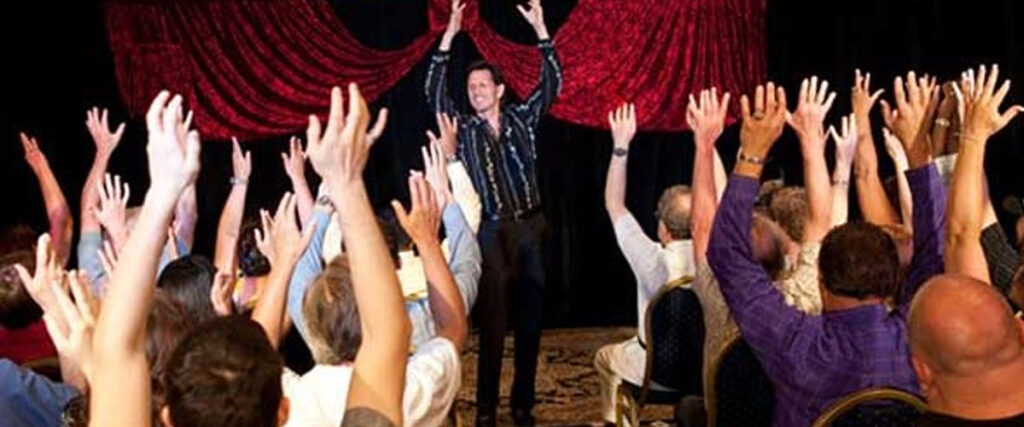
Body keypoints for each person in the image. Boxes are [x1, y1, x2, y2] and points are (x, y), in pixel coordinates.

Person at [707, 74, 945, 426]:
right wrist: (918, 152)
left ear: (820, 280)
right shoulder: (916, 339)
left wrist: (752, 154)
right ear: (894, 280)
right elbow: (935, 247)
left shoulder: (795, 344)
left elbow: (727, 255)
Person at [425, 0, 562, 424]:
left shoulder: (523, 118)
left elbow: (552, 83)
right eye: (472, 88)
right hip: (491, 234)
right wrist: (449, 34)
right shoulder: (462, 130)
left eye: (484, 86)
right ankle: (485, 410)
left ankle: (522, 405)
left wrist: (541, 31)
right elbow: (433, 91)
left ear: (500, 90)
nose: (476, 92)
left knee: (531, 324)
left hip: (532, 227)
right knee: (494, 326)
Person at [593, 102, 701, 425]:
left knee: (604, 358)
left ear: (662, 228)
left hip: (656, 372)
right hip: (703, 368)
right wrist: (705, 144)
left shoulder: (652, 260)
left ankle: (622, 422)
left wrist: (621, 147)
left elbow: (614, 204)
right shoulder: (716, 260)